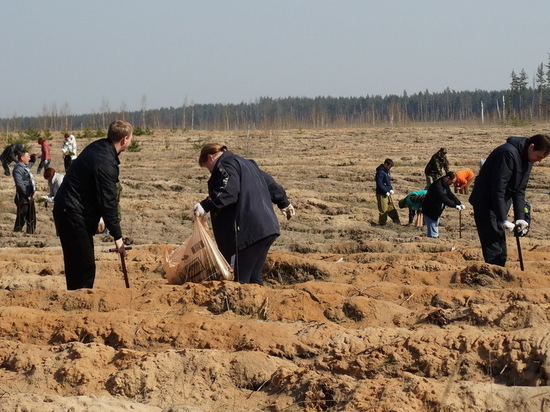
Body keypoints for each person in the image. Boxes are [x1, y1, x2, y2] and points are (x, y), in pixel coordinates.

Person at [193, 144, 295, 285]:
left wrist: (205, 205)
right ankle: (260, 305)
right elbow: (271, 184)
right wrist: (284, 202)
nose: (210, 172)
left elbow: (228, 190)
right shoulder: (247, 164)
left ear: (210, 157)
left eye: (206, 167)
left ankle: (239, 306)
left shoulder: (226, 165)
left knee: (241, 281)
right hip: (267, 228)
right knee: (254, 278)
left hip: (249, 230)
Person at [53, 120, 133, 290]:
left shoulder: (99, 147)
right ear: (124, 139)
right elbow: (108, 201)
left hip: (69, 208)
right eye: (131, 138)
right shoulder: (105, 162)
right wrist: (118, 238)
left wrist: (100, 219)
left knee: (78, 263)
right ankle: (80, 306)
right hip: (71, 211)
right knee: (84, 265)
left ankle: (76, 300)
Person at [469, 134, 550, 266]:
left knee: (501, 247)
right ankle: (493, 277)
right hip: (486, 202)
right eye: (539, 156)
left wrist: (520, 217)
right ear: (531, 147)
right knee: (493, 246)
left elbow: (520, 190)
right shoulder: (507, 153)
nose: (539, 161)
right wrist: (503, 219)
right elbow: (498, 188)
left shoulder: (527, 160)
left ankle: (500, 270)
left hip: (499, 203)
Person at [422, 171, 464, 238]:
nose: (452, 184)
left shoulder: (445, 184)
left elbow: (450, 195)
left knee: (434, 230)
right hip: (430, 211)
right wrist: (455, 206)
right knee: (433, 234)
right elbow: (443, 198)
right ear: (448, 178)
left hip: (436, 211)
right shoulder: (437, 185)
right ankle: (434, 244)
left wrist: (459, 203)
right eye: (452, 182)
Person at [12, 150, 36, 233]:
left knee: (31, 216)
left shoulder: (25, 167)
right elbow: (19, 184)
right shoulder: (18, 169)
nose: (29, 158)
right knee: (22, 217)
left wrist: (33, 157)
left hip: (29, 195)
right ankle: (17, 234)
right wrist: (26, 195)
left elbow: (31, 163)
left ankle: (30, 234)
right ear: (22, 158)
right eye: (27, 157)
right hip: (23, 196)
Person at [375, 158, 401, 225]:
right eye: (389, 166)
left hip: (388, 193)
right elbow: (379, 184)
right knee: (383, 209)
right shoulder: (380, 172)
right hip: (382, 194)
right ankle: (382, 224)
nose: (390, 168)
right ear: (385, 164)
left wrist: (391, 189)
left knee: (391, 208)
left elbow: (388, 182)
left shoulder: (387, 172)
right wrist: (385, 191)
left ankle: (396, 221)